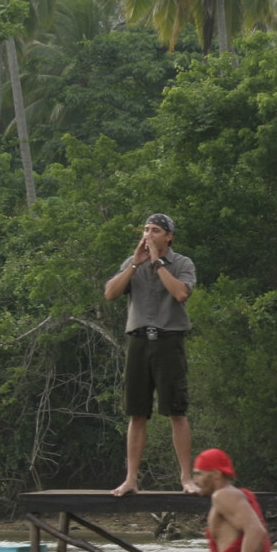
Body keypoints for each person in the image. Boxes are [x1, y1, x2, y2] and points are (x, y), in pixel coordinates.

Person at [104, 212, 200, 496]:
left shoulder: (182, 263)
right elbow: (110, 294)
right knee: (136, 412)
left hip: (169, 341)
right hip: (138, 341)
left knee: (177, 412)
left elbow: (181, 294)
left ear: (168, 236)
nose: (148, 235)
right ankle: (131, 479)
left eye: (155, 230)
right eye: (146, 229)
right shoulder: (133, 263)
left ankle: (186, 478)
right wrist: (135, 263)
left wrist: (157, 263)